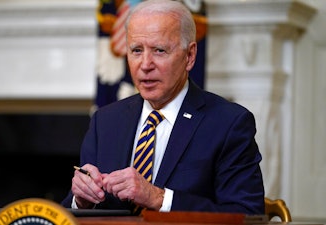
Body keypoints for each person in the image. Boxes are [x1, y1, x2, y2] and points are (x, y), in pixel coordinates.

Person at [61, 0, 264, 214]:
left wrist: (158, 198)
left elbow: (247, 215)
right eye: (136, 50)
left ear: (190, 56)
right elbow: (70, 212)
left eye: (159, 50)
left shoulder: (228, 123)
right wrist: (81, 199)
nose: (145, 64)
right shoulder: (105, 121)